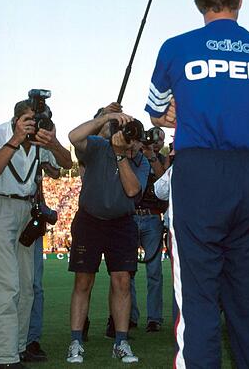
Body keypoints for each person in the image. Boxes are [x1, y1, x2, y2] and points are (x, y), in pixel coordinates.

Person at [145, 0, 249, 368]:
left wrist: (171, 115)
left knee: (198, 300)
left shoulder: (176, 47)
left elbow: (156, 110)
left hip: (200, 174)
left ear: (198, 1)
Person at [0, 98, 72, 369]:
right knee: (6, 285)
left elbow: (66, 164)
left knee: (26, 286)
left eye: (42, 119)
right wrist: (16, 139)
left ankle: (17, 348)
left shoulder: (40, 141)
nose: (37, 124)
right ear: (17, 119)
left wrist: (53, 143)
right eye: (32, 119)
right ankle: (5, 358)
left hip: (27, 210)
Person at [66, 110, 149, 364]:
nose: (132, 142)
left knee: (122, 282)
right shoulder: (99, 146)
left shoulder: (141, 162)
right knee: (83, 281)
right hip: (89, 220)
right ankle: (76, 342)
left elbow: (132, 190)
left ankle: (121, 342)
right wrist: (105, 118)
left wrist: (121, 155)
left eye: (136, 139)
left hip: (122, 223)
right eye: (128, 135)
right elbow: (73, 136)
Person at [129, 128, 167, 334]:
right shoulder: (134, 155)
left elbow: (164, 182)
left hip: (152, 216)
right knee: (127, 270)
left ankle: (154, 318)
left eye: (160, 139)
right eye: (153, 137)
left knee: (154, 271)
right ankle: (129, 316)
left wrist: (152, 156)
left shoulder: (162, 160)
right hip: (131, 215)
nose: (156, 141)